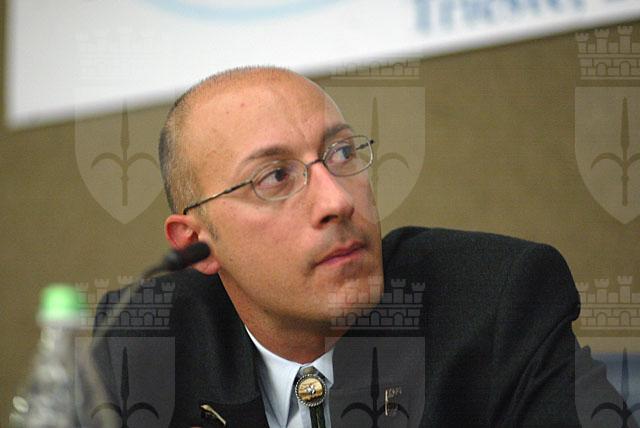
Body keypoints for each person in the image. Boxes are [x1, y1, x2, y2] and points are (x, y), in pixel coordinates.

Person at [93, 66, 631, 428]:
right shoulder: (144, 343)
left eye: (342, 153)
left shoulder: (496, 302)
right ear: (197, 246)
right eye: (276, 177)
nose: (337, 201)